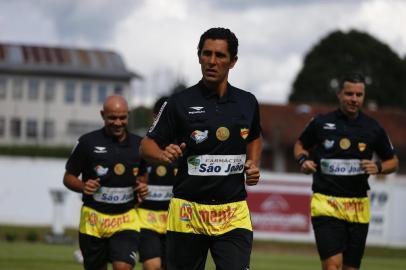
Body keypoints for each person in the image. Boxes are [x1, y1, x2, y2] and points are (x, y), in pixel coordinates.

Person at [140, 27, 262, 270]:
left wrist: (254, 163)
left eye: (220, 56)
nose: (212, 62)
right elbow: (146, 145)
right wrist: (162, 155)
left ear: (233, 61)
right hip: (188, 213)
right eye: (206, 54)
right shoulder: (178, 103)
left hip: (232, 213)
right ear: (199, 57)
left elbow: (255, 137)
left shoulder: (248, 102)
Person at [293, 72, 399, 270]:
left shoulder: (372, 127)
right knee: (333, 266)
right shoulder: (321, 122)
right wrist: (303, 160)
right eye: (349, 94)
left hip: (358, 207)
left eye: (359, 95)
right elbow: (300, 144)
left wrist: (378, 167)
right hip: (326, 203)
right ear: (339, 94)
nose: (354, 99)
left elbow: (393, 161)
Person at [63, 95, 149, 270]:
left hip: (125, 219)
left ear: (128, 115)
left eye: (122, 117)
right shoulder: (87, 142)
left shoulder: (139, 144)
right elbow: (68, 177)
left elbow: (142, 175)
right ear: (103, 115)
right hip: (93, 220)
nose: (118, 122)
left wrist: (142, 186)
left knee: (123, 267)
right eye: (112, 118)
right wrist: (82, 186)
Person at [136, 96, 177, 270]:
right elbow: (136, 180)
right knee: (152, 265)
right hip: (147, 219)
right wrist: (138, 187)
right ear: (155, 117)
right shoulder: (145, 147)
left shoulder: (182, 146)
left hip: (175, 220)